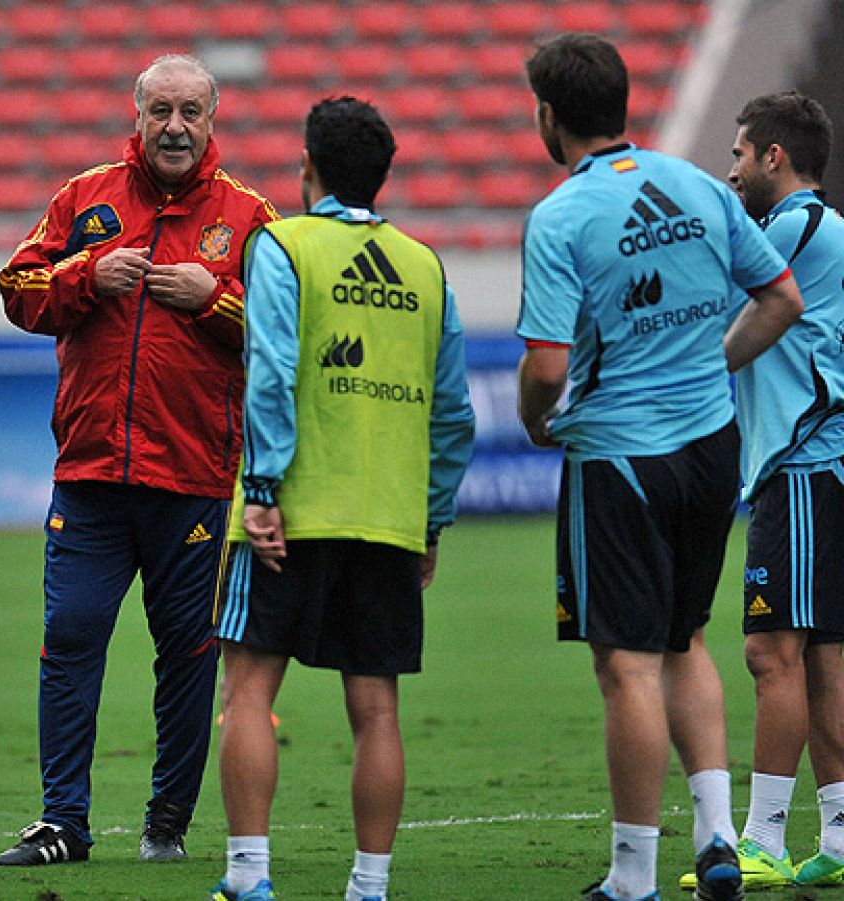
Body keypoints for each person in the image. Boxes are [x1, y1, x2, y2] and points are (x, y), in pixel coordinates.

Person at [515, 33, 805, 901]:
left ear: (549, 117)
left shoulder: (561, 216)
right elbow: (780, 299)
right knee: (686, 640)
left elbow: (546, 367)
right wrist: (710, 368)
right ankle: (718, 831)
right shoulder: (695, 185)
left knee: (628, 664)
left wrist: (537, 421)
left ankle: (634, 875)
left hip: (622, 457)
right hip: (712, 448)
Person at [0, 53, 278, 869]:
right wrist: (87, 273)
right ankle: (62, 823)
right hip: (88, 476)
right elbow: (17, 286)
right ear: (139, 114)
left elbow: (285, 333)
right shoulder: (83, 200)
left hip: (191, 478)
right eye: (162, 111)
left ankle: (167, 821)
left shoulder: (250, 217)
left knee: (186, 653)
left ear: (213, 119)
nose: (176, 127)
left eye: (191, 111)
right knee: (70, 635)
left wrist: (214, 300)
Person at [210, 96, 475, 901]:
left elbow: (272, 373)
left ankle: (250, 875)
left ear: (307, 169)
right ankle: (370, 885)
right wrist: (429, 517)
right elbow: (454, 411)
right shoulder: (427, 267)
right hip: (389, 516)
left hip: (291, 511)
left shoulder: (282, 246)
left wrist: (261, 491)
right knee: (377, 709)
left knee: (249, 691)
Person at [717, 91, 844, 888]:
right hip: (817, 463)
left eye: (738, 154)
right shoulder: (820, 232)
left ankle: (762, 837)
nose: (730, 170)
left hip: (801, 463)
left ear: (775, 156)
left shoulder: (795, 226)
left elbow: (719, 288)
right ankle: (838, 830)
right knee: (825, 657)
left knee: (773, 651)